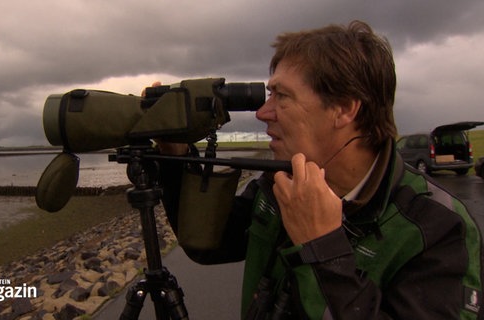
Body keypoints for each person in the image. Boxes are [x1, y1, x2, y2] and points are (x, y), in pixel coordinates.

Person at [158, 20, 483, 319]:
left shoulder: (437, 229)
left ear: (344, 108)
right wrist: (177, 156)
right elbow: (210, 242)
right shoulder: (280, 183)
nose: (263, 113)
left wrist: (323, 248)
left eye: (282, 96)